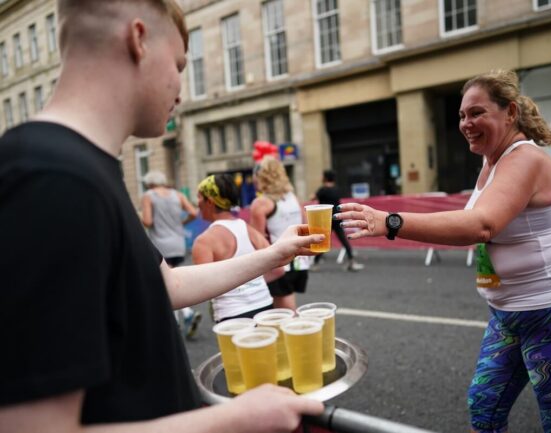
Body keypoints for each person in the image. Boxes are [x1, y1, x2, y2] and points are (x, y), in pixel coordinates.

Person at [0, 1, 324, 432]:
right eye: (178, 64)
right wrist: (236, 418)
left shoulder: (84, 167)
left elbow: (165, 284)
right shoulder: (54, 179)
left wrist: (275, 253)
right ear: (138, 40)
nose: (181, 88)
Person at [336, 70, 551, 433]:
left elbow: (483, 224)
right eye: (463, 115)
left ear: (510, 112)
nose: (467, 123)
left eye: (477, 113)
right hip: (509, 313)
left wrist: (390, 222)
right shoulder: (491, 160)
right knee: (484, 407)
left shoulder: (525, 158)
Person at [193, 174, 281, 322]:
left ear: (210, 201)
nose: (197, 202)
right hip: (264, 306)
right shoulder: (251, 231)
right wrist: (252, 284)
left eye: (200, 197)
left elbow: (202, 288)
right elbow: (278, 269)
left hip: (232, 314)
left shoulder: (204, 242)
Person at [141, 169, 202, 338]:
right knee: (171, 280)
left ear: (150, 183)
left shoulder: (148, 195)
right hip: (177, 242)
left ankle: (185, 315)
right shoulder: (176, 194)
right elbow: (193, 212)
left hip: (160, 244)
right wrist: (180, 223)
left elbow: (147, 221)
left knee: (167, 283)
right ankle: (181, 318)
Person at [250, 156, 310, 310]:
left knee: (285, 315)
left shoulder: (261, 203)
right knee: (286, 309)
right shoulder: (293, 197)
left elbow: (257, 240)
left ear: (261, 177)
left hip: (279, 264)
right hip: (300, 262)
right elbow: (305, 224)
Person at [313, 169, 364, 271]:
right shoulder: (336, 189)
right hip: (337, 217)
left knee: (323, 240)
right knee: (343, 240)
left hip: (325, 219)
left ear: (325, 177)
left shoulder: (322, 190)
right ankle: (351, 261)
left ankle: (315, 263)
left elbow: (312, 197)